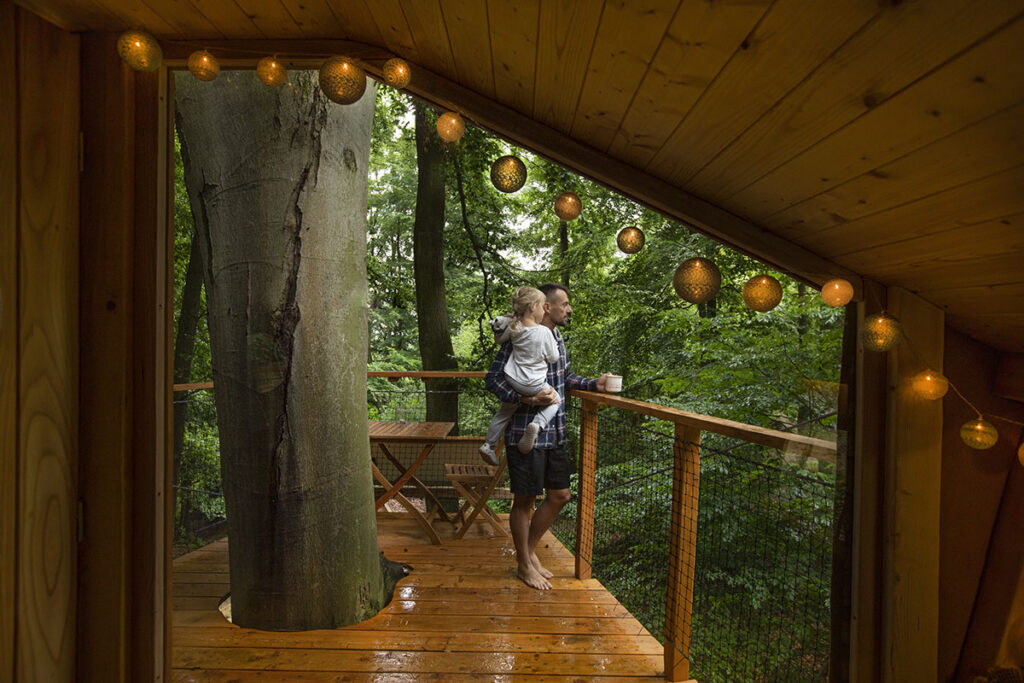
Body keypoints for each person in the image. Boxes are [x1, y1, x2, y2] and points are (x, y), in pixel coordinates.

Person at [484, 283, 611, 590]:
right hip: (523, 431)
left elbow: (564, 378)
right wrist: (524, 400)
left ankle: (527, 552)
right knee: (524, 500)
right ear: (546, 308)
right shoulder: (519, 336)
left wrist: (596, 384)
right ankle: (525, 565)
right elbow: (493, 379)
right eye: (564, 304)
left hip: (556, 430)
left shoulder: (556, 337)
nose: (569, 309)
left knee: (560, 496)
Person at [479, 286, 561, 466]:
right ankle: (536, 425)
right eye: (541, 307)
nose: (543, 312)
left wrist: (500, 324)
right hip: (534, 384)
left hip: (513, 380)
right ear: (532, 306)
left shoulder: (515, 326)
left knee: (503, 412)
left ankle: (489, 444)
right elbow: (553, 358)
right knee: (555, 400)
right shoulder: (544, 332)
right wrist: (553, 345)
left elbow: (499, 339)